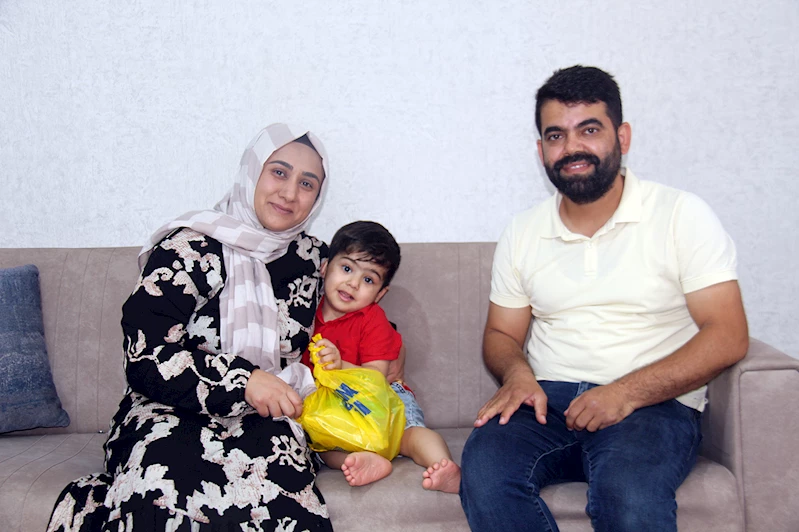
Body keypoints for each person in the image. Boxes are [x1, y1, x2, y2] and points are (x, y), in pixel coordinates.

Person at [459, 66, 749, 531]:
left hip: (654, 405)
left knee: (628, 494)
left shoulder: (681, 214)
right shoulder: (523, 230)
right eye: (556, 135)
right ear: (540, 150)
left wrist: (624, 393)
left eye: (589, 130)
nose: (572, 147)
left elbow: (729, 335)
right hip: (546, 401)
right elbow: (500, 333)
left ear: (623, 136)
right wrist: (517, 374)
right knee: (485, 470)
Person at [47, 124, 335, 531]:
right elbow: (144, 355)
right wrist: (243, 380)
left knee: (280, 492)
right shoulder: (188, 247)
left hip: (266, 419)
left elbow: (357, 313)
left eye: (307, 183)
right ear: (252, 172)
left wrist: (388, 363)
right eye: (279, 172)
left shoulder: (314, 260)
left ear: (317, 197)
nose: (289, 193)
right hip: (170, 410)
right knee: (165, 479)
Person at [301, 221, 461, 493]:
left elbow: (377, 377)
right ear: (325, 267)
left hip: (384, 398)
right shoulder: (304, 314)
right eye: (347, 268)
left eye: (368, 280)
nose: (353, 283)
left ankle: (443, 466)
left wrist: (340, 365)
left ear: (380, 294)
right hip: (335, 405)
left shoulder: (373, 320)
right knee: (324, 448)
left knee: (410, 435)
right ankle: (364, 459)